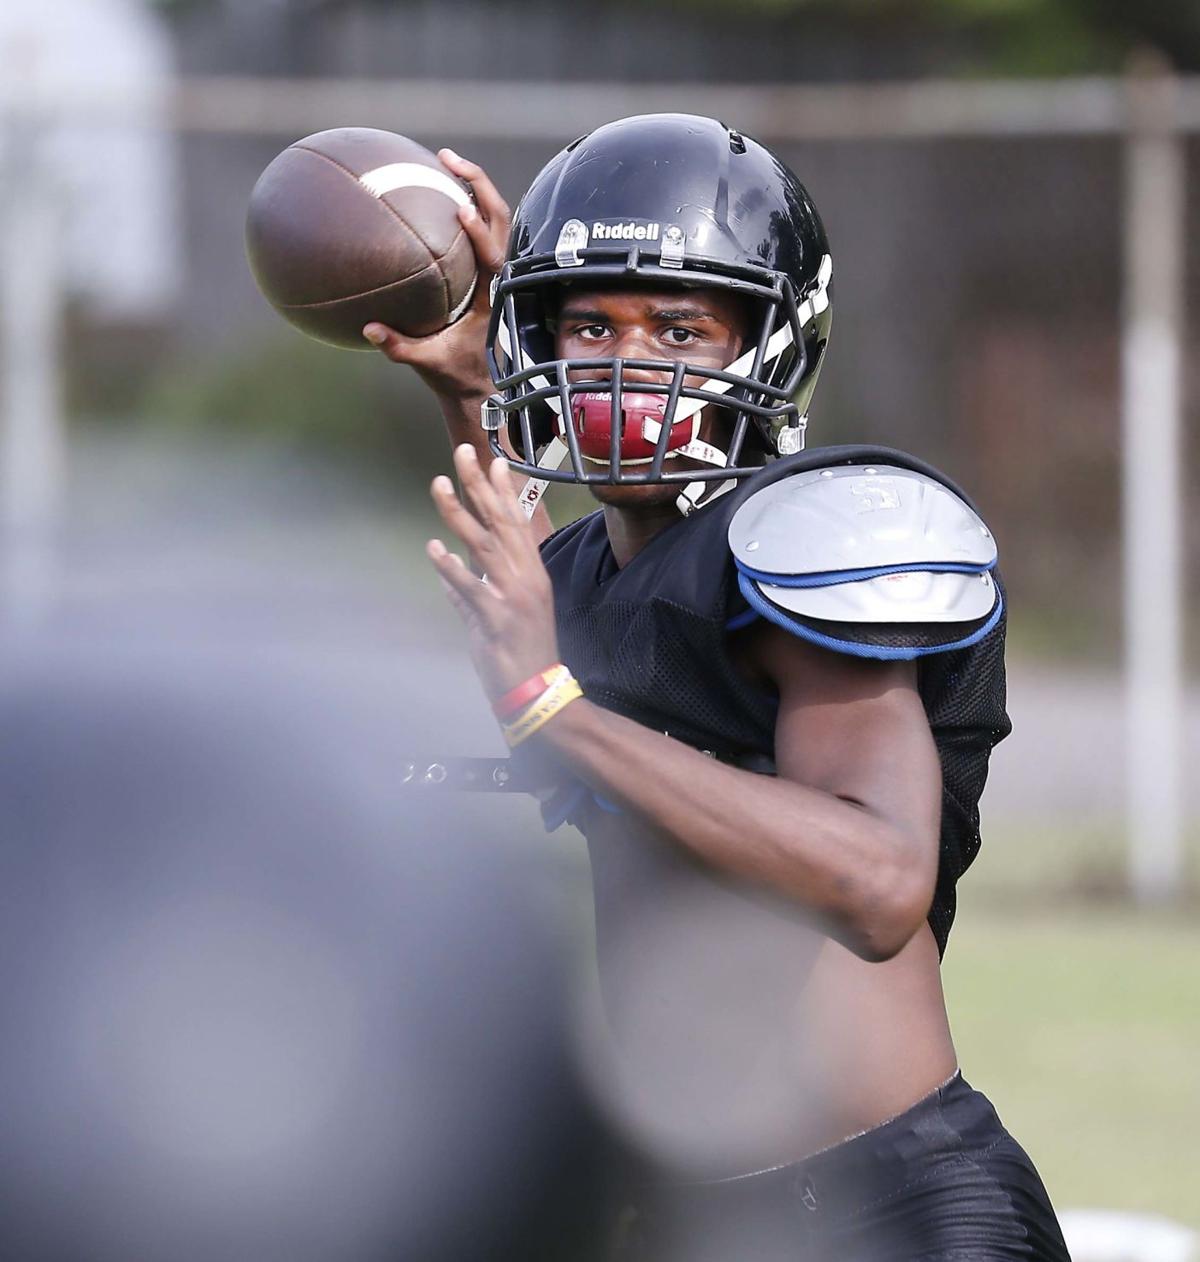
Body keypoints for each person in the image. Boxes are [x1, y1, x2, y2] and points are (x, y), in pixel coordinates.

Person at [366, 114, 1071, 1261]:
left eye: (678, 329)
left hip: (891, 1210)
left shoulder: (807, 547)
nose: (621, 363)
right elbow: (591, 616)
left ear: (769, 346)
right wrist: (470, 377)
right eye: (586, 323)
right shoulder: (598, 571)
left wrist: (553, 709)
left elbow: (880, 877)